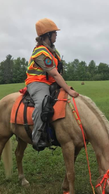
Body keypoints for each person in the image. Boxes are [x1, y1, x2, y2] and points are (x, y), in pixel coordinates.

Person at [25, 18, 79, 151]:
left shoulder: (54, 52)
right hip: (37, 83)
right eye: (54, 33)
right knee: (42, 103)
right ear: (47, 35)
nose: (56, 35)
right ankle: (37, 138)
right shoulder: (40, 52)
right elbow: (55, 74)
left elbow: (58, 73)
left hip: (51, 83)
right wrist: (68, 89)